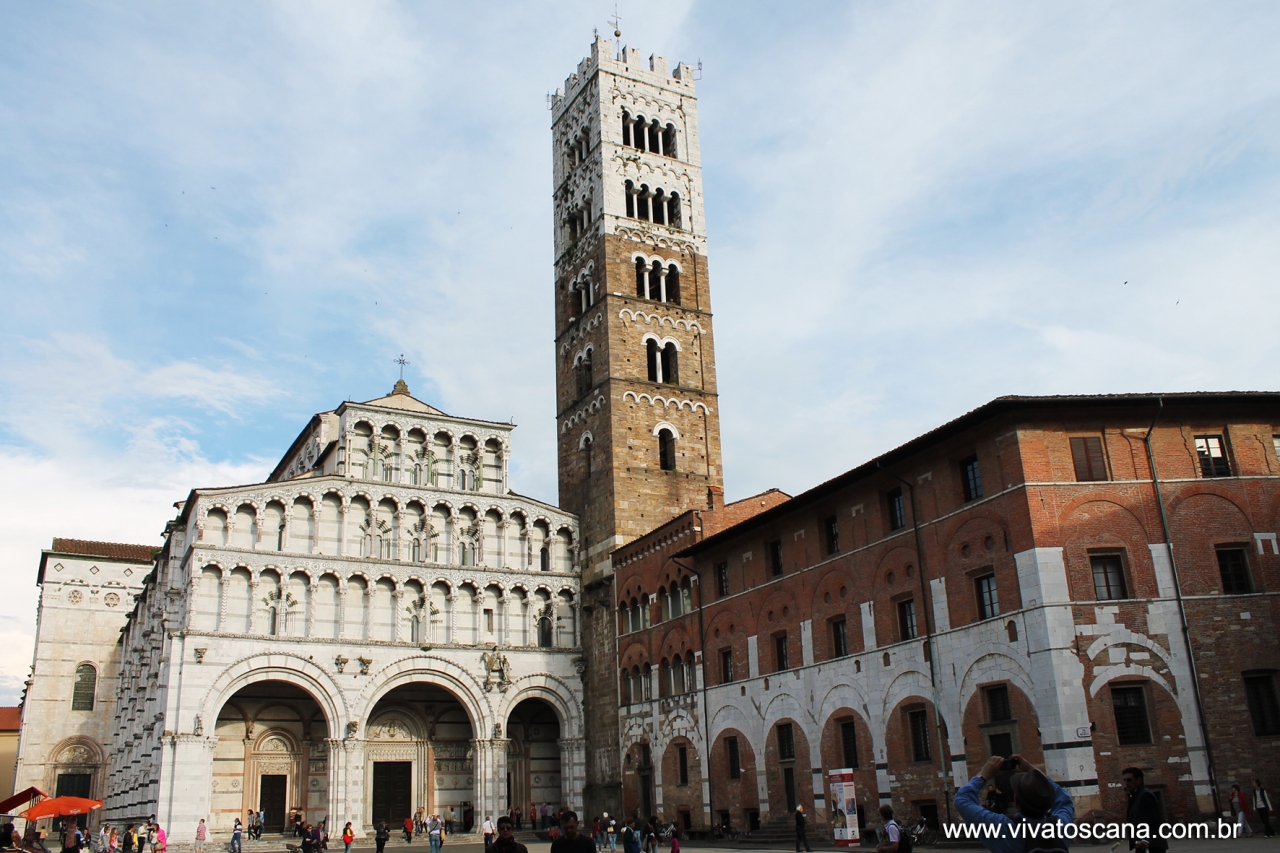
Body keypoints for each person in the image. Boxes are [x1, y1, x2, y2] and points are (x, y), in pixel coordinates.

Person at [954, 754, 1075, 853]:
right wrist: (1035, 774)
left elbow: (962, 800)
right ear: (1049, 801)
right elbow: (1064, 800)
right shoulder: (1062, 826)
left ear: (1016, 802)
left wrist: (983, 775)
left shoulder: (1003, 829)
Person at [1121, 767, 1167, 852]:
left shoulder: (1145, 795)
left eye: (1129, 780)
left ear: (1139, 780)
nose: (1126, 783)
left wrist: (1146, 839)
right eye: (1124, 780)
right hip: (1141, 843)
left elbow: (1153, 820)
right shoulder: (1135, 796)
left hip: (1151, 845)